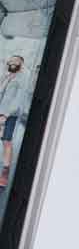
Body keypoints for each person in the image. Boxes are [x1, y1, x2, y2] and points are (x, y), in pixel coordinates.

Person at [0, 54, 27, 189]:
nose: (13, 63)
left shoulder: (22, 79)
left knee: (6, 141)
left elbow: (18, 100)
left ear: (20, 65)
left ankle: (5, 172)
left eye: (16, 62)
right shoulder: (5, 76)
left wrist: (6, 114)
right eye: (11, 60)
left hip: (9, 115)